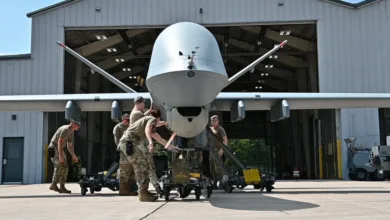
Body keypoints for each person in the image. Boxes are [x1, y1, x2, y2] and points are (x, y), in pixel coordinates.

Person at [117, 109, 181, 202]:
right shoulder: (151, 119)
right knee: (141, 165)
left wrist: (173, 148)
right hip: (128, 143)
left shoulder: (150, 121)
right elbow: (148, 129)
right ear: (158, 118)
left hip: (128, 142)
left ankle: (144, 192)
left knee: (143, 165)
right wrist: (150, 142)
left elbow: (161, 140)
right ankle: (143, 193)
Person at [48, 120, 81, 193]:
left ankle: (61, 186)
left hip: (58, 148)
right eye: (77, 124)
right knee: (60, 165)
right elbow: (60, 142)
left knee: (64, 166)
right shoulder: (65, 129)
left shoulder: (71, 132)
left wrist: (73, 155)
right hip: (54, 147)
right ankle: (54, 185)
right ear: (72, 123)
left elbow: (69, 145)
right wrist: (60, 155)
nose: (79, 126)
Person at [113, 113, 137, 196]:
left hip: (131, 150)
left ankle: (130, 189)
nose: (128, 121)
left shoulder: (131, 127)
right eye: (127, 120)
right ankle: (123, 190)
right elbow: (116, 138)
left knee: (132, 170)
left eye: (129, 120)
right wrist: (119, 148)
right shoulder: (118, 127)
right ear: (123, 119)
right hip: (123, 150)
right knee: (124, 170)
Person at [208, 115, 228, 189]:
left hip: (217, 150)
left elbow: (225, 140)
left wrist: (222, 150)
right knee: (211, 168)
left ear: (218, 121)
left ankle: (223, 182)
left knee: (218, 168)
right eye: (212, 121)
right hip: (211, 150)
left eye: (215, 121)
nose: (213, 122)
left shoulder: (220, 129)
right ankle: (214, 183)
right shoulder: (210, 129)